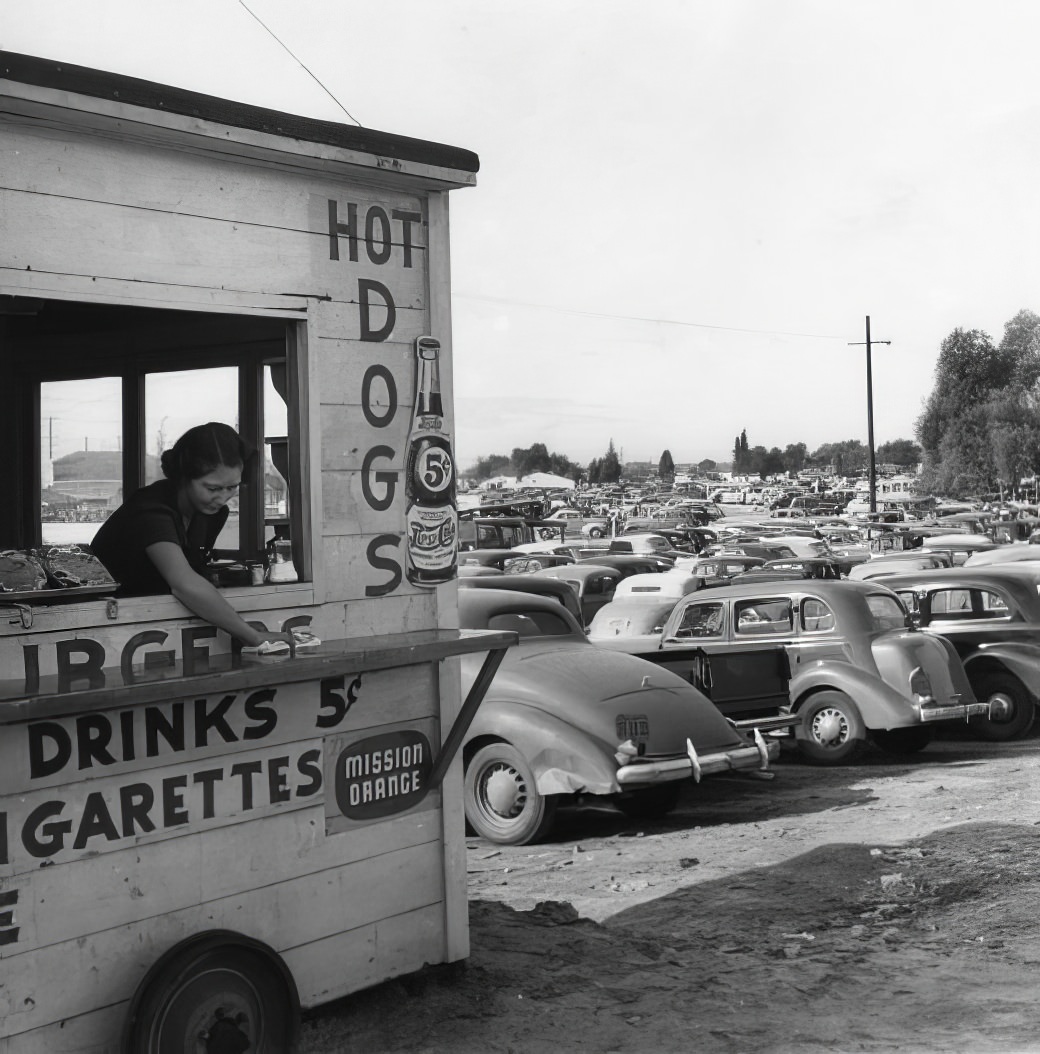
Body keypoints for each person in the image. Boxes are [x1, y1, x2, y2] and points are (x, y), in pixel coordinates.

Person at [91, 422, 293, 651]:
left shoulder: (211, 514)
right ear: (183, 476)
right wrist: (251, 635)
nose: (223, 497)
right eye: (212, 488)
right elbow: (184, 583)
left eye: (232, 487)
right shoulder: (150, 511)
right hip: (104, 626)